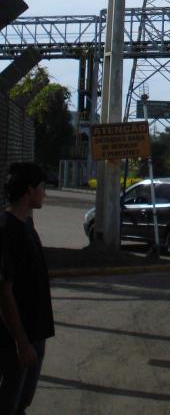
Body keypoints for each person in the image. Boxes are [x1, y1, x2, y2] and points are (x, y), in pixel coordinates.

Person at [0, 163, 54, 414]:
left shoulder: (26, 225)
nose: (45, 193)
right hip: (16, 341)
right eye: (42, 188)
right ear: (28, 191)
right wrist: (21, 341)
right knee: (9, 401)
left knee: (22, 401)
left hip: (34, 334)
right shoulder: (6, 230)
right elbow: (4, 291)